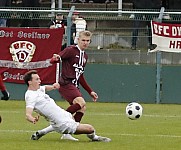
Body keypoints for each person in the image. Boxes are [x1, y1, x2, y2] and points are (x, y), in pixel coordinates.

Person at [24, 70, 111, 142]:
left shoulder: (38, 89)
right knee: (90, 129)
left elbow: (45, 87)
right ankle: (94, 138)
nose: (40, 81)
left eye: (39, 78)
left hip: (62, 115)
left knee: (82, 107)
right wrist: (32, 119)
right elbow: (28, 114)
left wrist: (53, 86)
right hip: (62, 123)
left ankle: (42, 132)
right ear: (30, 82)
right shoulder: (30, 96)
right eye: (37, 79)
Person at [50, 30, 98, 141]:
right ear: (78, 40)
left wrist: (90, 91)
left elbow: (80, 76)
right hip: (66, 83)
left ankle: (67, 132)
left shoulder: (85, 56)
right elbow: (57, 58)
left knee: (82, 108)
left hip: (74, 85)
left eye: (87, 41)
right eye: (83, 40)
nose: (85, 43)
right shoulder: (71, 50)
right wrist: (54, 59)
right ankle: (61, 119)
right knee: (81, 103)